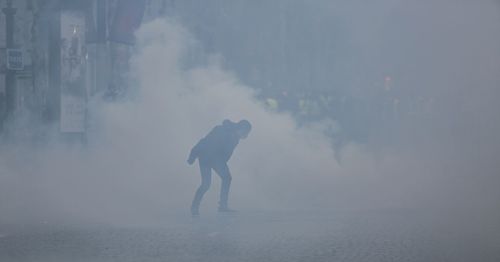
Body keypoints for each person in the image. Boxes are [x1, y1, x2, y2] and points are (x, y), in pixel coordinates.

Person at [187, 119, 252, 216]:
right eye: (245, 132)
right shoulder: (222, 130)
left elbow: (226, 153)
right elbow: (204, 141)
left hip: (217, 159)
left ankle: (223, 206)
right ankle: (194, 207)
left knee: (227, 178)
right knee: (206, 184)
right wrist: (192, 155)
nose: (246, 135)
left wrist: (222, 162)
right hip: (206, 157)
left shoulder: (235, 137)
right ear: (241, 128)